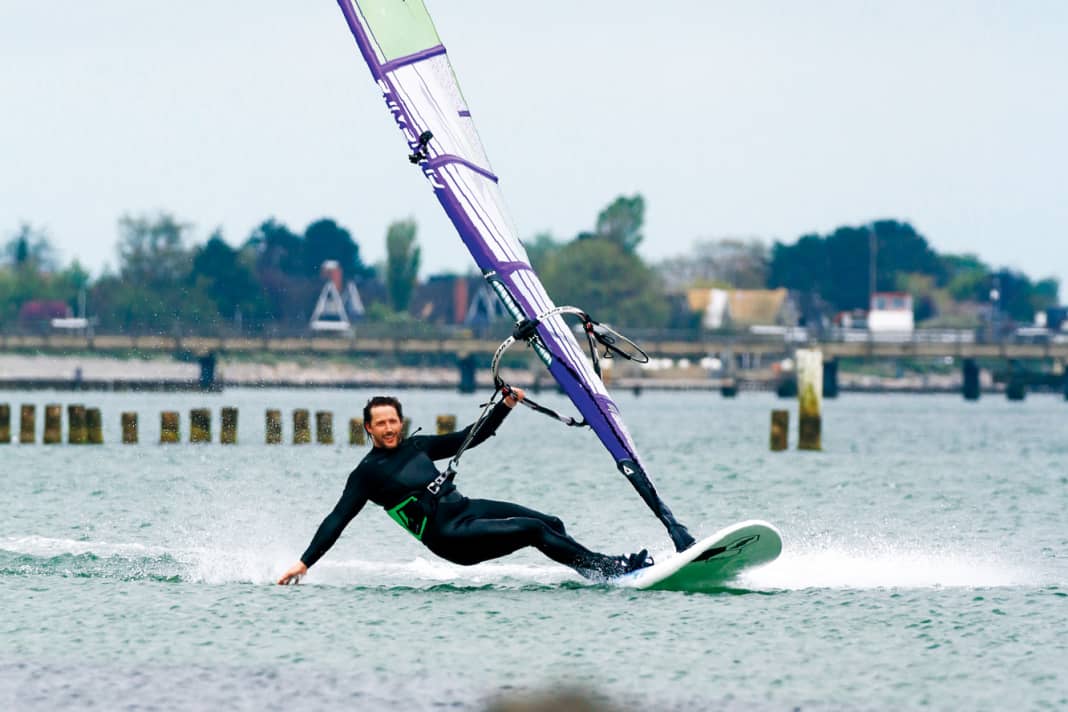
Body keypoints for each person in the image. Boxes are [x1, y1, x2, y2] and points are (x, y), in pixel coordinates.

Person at [277, 388, 653, 585]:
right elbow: (337, 519)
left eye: (394, 421)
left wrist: (505, 405)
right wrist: (305, 562)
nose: (390, 428)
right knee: (535, 531)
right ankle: (611, 570)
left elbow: (473, 436)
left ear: (400, 422)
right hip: (450, 536)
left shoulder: (417, 446)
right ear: (368, 429)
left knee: (550, 521)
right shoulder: (367, 474)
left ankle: (595, 571)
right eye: (381, 424)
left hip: (467, 509)